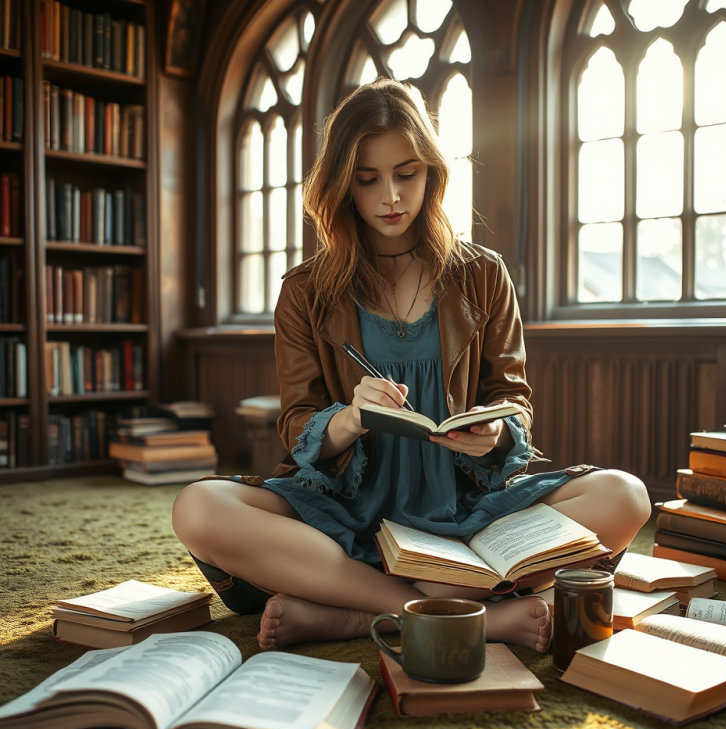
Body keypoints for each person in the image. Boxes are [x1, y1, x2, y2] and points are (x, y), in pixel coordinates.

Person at [172, 78, 651, 654]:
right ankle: (449, 611)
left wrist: (498, 431)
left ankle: (350, 613)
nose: (391, 197)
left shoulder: (483, 274)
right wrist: (350, 418)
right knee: (199, 507)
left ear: (432, 173)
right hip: (346, 510)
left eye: (407, 173)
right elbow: (297, 421)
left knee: (626, 495)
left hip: (466, 507)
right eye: (367, 179)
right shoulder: (304, 290)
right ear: (341, 184)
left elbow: (513, 397)